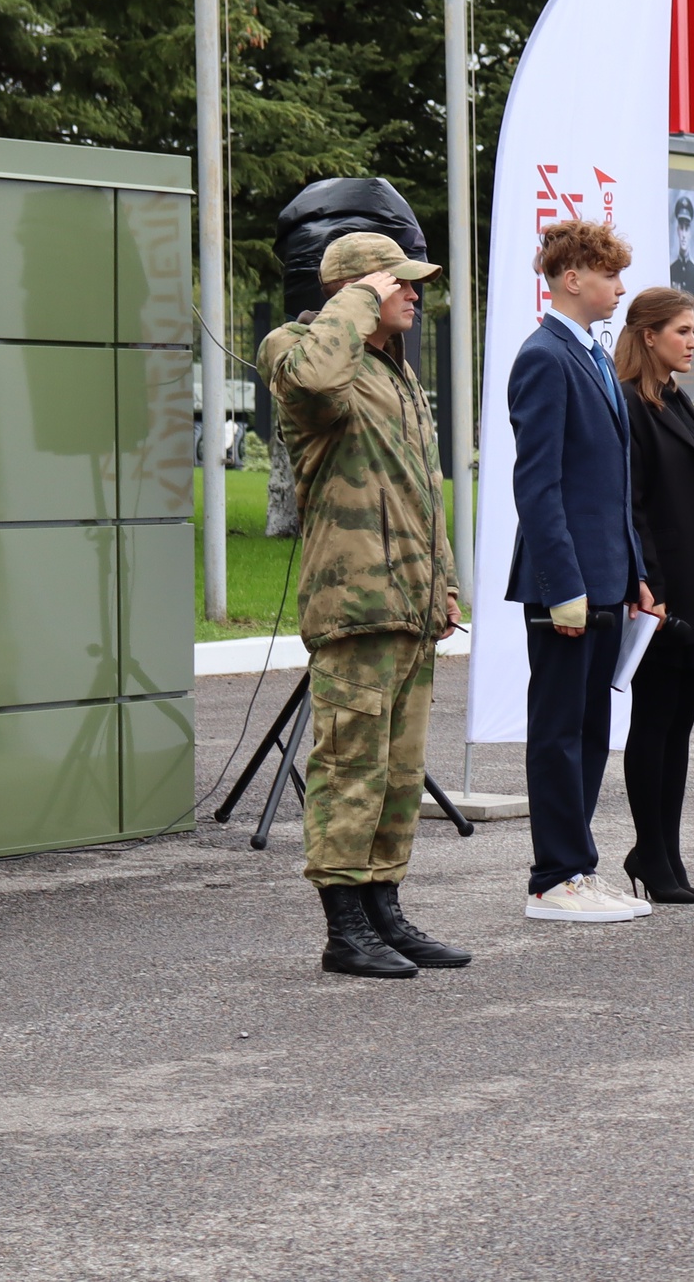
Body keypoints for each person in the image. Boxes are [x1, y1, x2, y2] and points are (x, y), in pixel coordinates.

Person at [257, 233, 469, 980]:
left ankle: (384, 909)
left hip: (409, 602)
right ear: (358, 291)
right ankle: (344, 928)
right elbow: (317, 382)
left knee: (399, 773)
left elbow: (420, 488)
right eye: (399, 282)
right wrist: (356, 298)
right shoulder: (296, 348)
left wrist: (444, 584)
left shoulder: (395, 370)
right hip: (355, 601)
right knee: (350, 766)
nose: (414, 292)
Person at [507, 218, 662, 925]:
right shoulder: (544, 356)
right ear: (572, 278)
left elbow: (610, 483)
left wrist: (633, 573)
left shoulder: (592, 353)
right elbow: (538, 486)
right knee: (559, 732)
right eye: (609, 274)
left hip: (604, 578)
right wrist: (563, 586)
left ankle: (578, 867)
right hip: (565, 584)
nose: (621, 288)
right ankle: (553, 878)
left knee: (592, 730)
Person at [615, 285, 694, 905]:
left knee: (679, 728)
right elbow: (632, 506)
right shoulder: (631, 404)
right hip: (662, 597)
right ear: (649, 336)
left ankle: (667, 853)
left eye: (692, 330)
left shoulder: (675, 398)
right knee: (655, 723)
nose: (693, 342)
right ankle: (650, 853)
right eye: (682, 331)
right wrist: (650, 586)